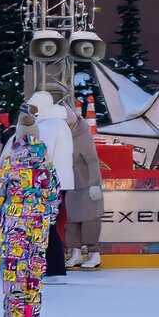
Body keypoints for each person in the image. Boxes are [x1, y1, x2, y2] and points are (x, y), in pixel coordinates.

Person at [0, 111, 60, 317]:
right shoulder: (46, 164)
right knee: (35, 269)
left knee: (15, 269)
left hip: (15, 221)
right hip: (39, 222)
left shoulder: (10, 162)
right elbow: (53, 195)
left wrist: (3, 218)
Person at [28, 91, 75, 284]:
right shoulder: (58, 123)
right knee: (48, 224)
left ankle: (55, 269)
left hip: (49, 182)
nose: (30, 110)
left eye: (33, 106)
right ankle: (53, 268)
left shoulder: (49, 125)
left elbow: (42, 155)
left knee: (47, 225)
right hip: (57, 181)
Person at [63, 104, 105, 270]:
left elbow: (92, 160)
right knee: (72, 221)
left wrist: (94, 184)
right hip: (70, 184)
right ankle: (75, 253)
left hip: (86, 184)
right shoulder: (64, 135)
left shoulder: (83, 135)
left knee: (89, 220)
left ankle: (94, 254)